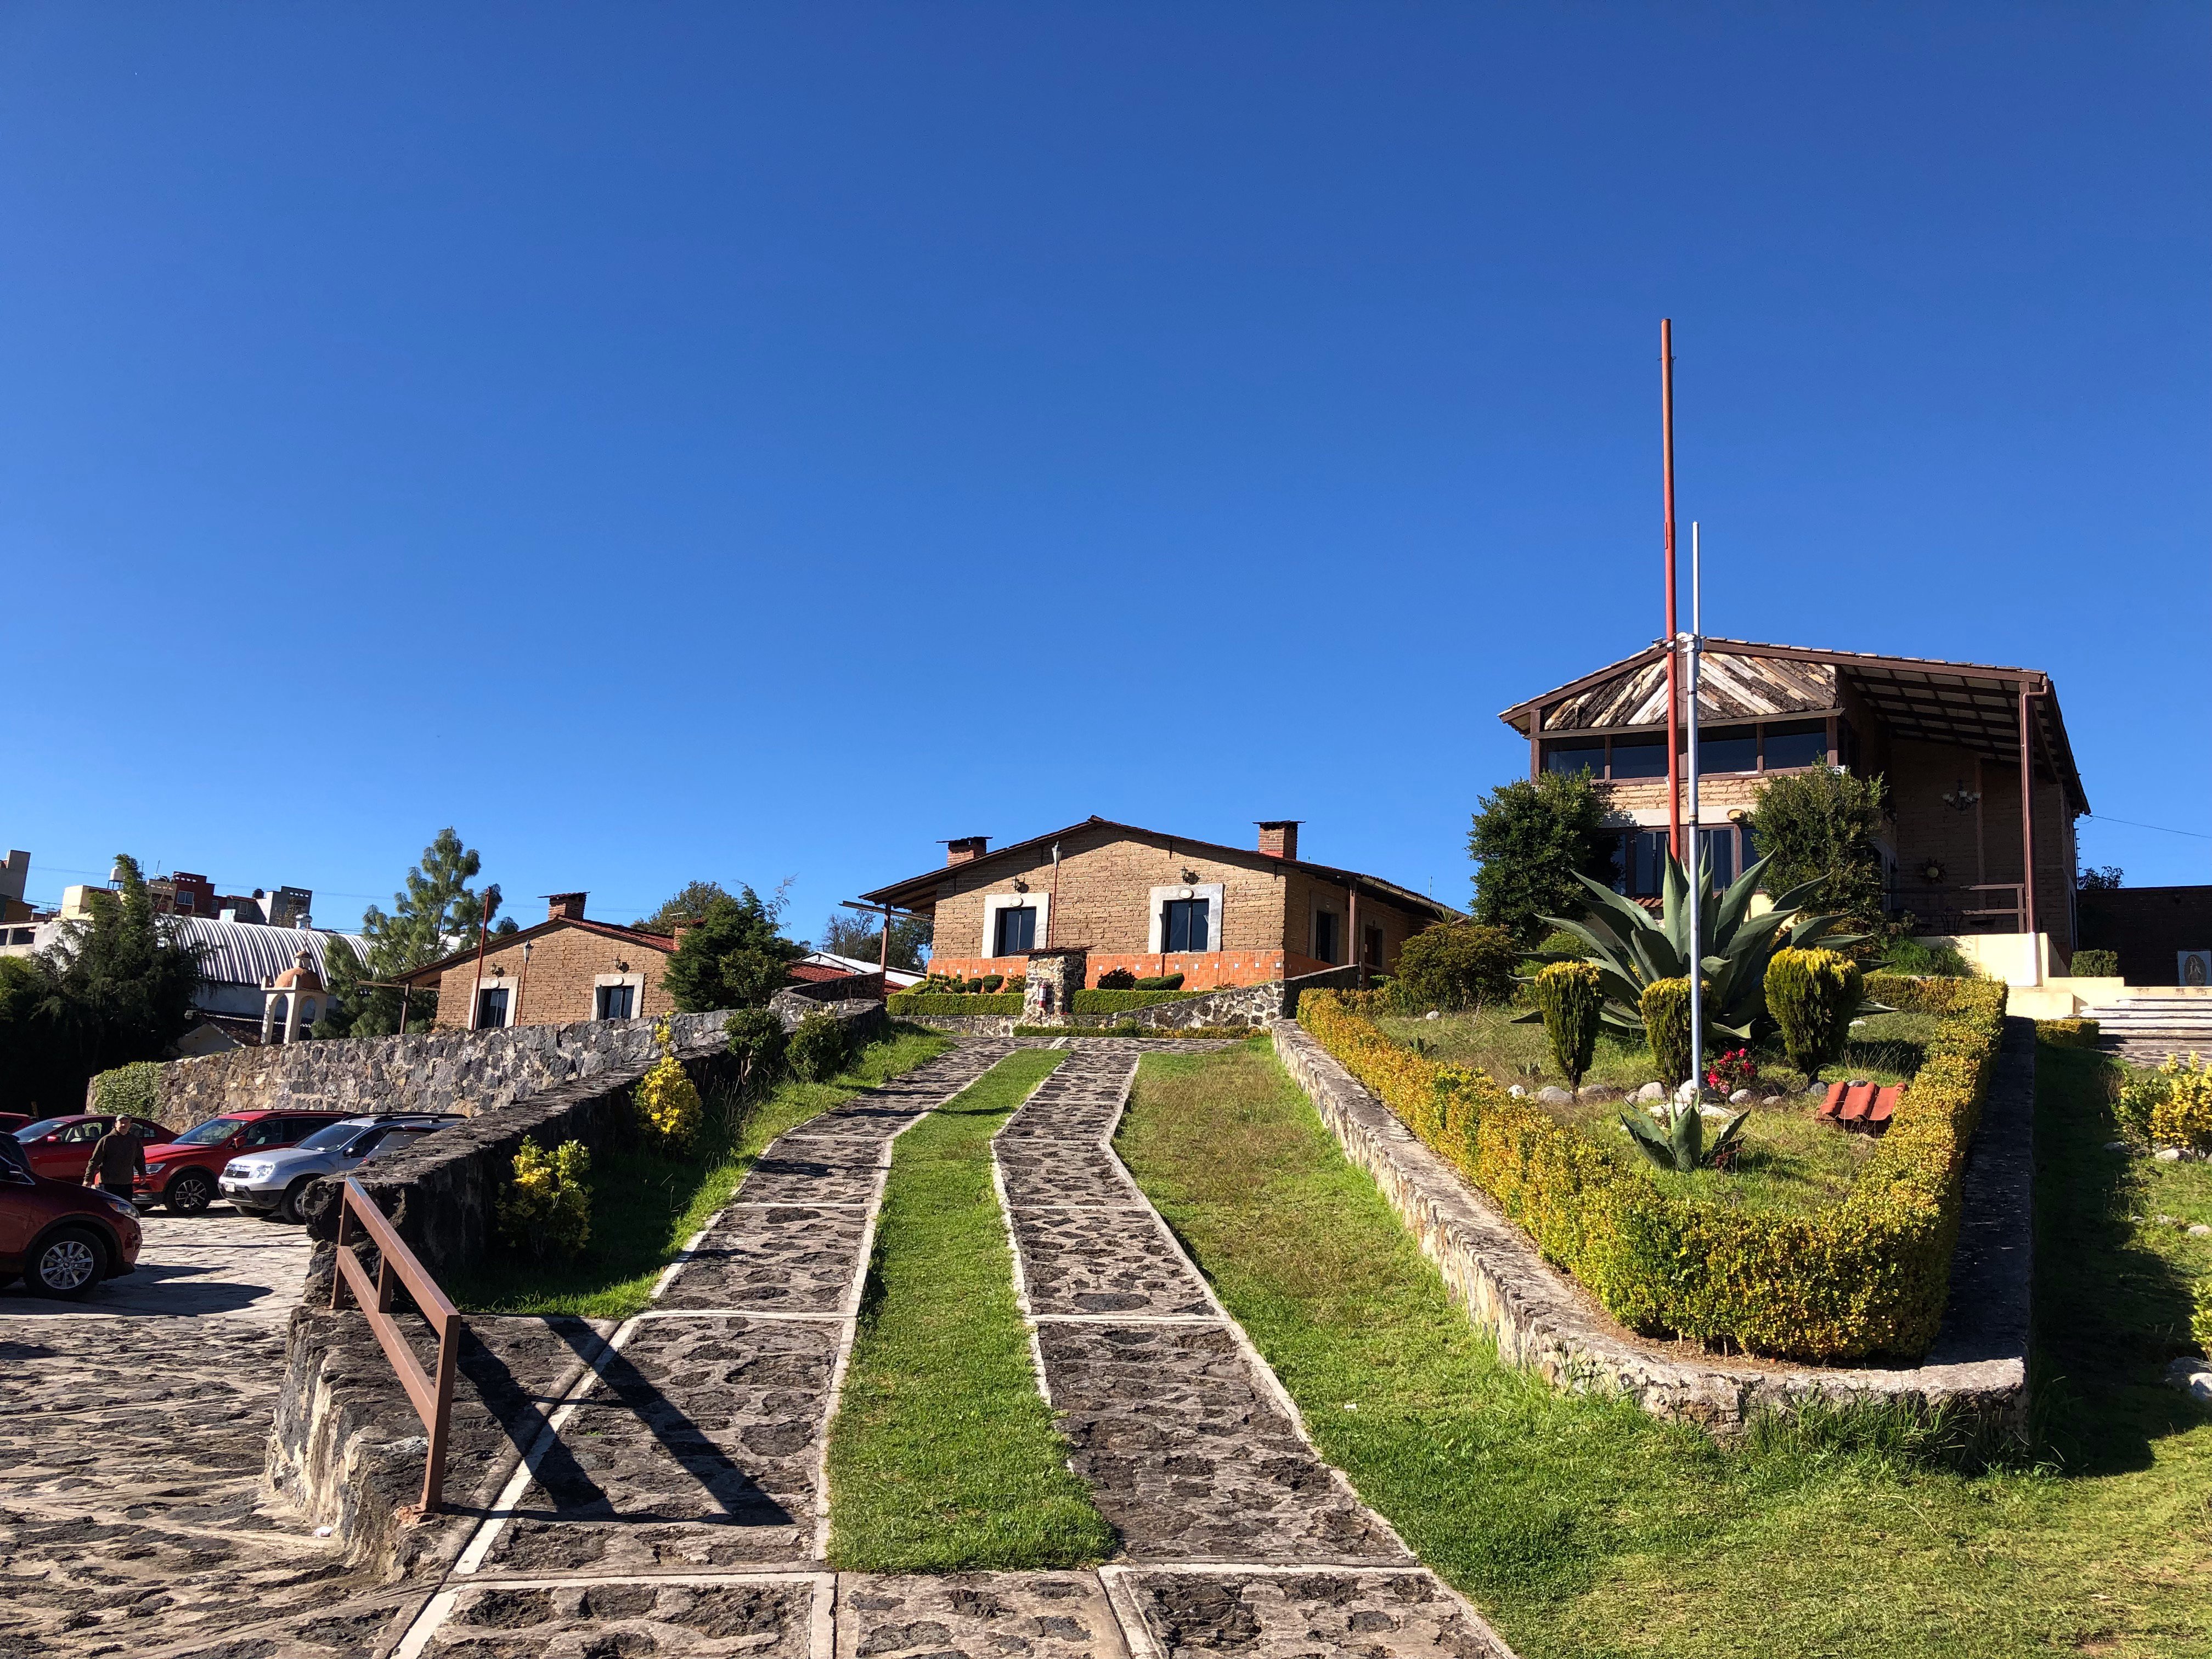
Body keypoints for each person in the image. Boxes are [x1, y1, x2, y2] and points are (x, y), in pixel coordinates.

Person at [83, 1117, 147, 1203]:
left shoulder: (134, 1141)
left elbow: (140, 1159)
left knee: (125, 1209)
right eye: (121, 1122)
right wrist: (88, 1179)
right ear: (116, 1124)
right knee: (109, 1210)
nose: (123, 1125)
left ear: (130, 1125)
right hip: (108, 1184)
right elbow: (94, 1161)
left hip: (126, 1183)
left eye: (126, 1123)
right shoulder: (106, 1140)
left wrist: (142, 1174)